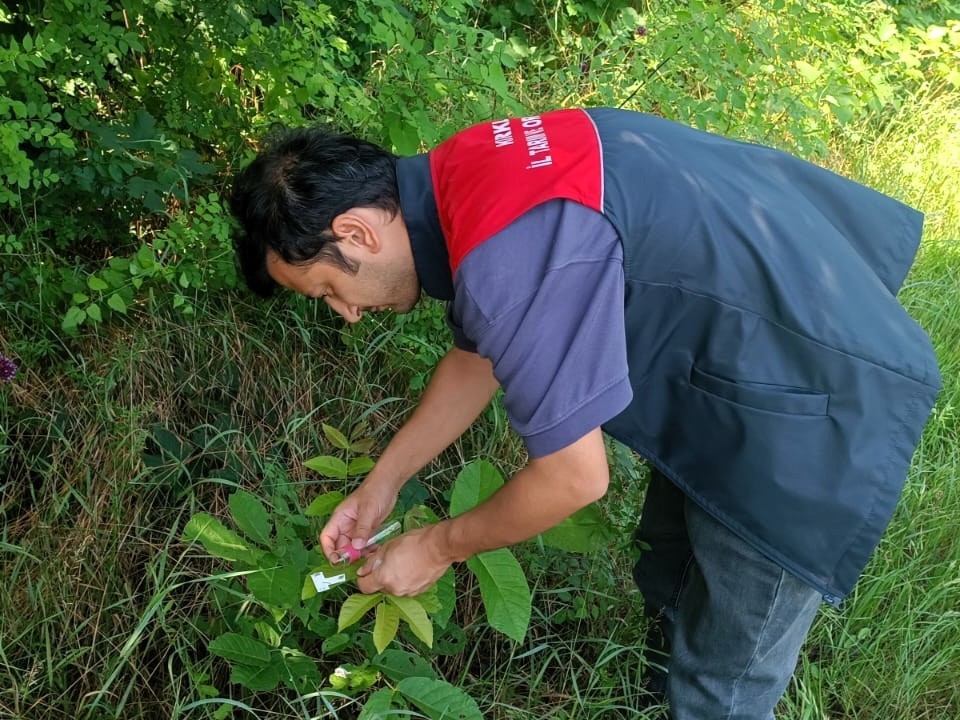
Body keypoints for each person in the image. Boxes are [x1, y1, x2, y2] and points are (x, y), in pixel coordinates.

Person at [229, 108, 941, 719]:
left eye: (328, 291)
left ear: (357, 231)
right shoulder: (467, 166)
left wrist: (440, 545)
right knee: (668, 575)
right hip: (743, 347)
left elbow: (573, 479)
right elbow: (479, 354)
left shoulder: (505, 253)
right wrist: (382, 484)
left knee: (726, 673)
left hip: (807, 388)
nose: (349, 315)